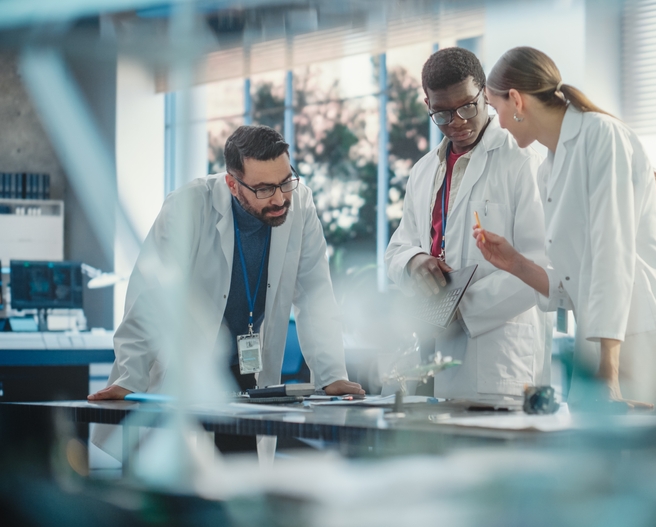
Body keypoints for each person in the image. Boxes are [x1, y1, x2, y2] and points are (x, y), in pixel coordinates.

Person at [473, 47, 656, 460]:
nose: (496, 121)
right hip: (603, 346)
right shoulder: (548, 167)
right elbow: (572, 287)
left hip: (640, 336)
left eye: (494, 108)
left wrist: (609, 377)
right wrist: (513, 262)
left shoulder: (602, 135)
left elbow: (612, 255)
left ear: (516, 100)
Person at [89, 125, 363, 405]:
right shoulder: (189, 206)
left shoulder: (301, 205)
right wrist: (129, 378)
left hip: (246, 371)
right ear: (232, 184)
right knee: (190, 446)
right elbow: (150, 297)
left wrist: (332, 375)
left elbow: (315, 294)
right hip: (188, 368)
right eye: (264, 189)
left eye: (285, 181)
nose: (280, 198)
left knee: (242, 445)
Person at [385, 47, 550, 403]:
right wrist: (414, 262)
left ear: (485, 96)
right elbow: (397, 249)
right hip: (426, 351)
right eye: (441, 114)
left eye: (467, 107)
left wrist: (459, 306)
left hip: (493, 354)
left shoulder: (522, 162)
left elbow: (541, 267)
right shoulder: (424, 170)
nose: (456, 122)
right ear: (427, 103)